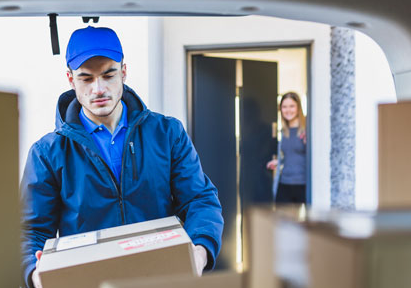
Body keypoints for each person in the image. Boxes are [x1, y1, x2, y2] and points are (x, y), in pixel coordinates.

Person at [20, 26, 223, 288]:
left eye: (108, 74)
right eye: (86, 78)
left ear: (123, 72)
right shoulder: (47, 153)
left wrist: (199, 251)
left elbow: (200, 199)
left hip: (161, 279)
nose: (99, 89)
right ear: (70, 79)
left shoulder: (167, 133)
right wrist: (36, 274)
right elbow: (31, 231)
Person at [266, 92, 307, 204]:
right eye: (284, 107)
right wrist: (279, 161)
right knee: (282, 221)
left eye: (292, 106)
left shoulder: (307, 130)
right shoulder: (284, 131)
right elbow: (291, 155)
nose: (288, 110)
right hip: (284, 184)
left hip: (302, 185)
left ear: (298, 107)